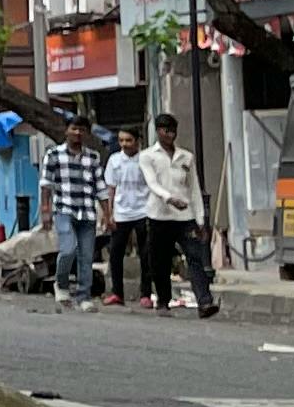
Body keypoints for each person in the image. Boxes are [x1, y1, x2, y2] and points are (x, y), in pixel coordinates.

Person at [138, 111, 215, 316]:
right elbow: (152, 183)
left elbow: (194, 189)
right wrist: (169, 198)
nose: (170, 135)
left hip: (185, 216)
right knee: (160, 261)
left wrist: (200, 220)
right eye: (165, 130)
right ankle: (163, 300)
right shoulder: (147, 156)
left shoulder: (186, 157)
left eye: (173, 131)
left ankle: (205, 302)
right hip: (159, 216)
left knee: (195, 257)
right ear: (158, 131)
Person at [40, 126, 106, 306]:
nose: (78, 133)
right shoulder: (54, 154)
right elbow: (46, 184)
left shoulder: (93, 157)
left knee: (86, 256)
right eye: (74, 129)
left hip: (87, 211)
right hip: (64, 209)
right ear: (67, 131)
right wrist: (45, 210)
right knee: (68, 249)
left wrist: (107, 214)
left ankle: (84, 296)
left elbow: (100, 187)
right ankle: (61, 285)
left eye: (82, 130)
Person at [100, 125, 156, 308]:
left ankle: (146, 294)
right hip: (122, 212)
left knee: (146, 253)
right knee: (116, 254)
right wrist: (108, 214)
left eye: (128, 140)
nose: (124, 144)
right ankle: (117, 292)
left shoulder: (145, 159)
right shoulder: (115, 160)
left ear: (137, 141)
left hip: (143, 210)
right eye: (121, 140)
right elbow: (110, 189)